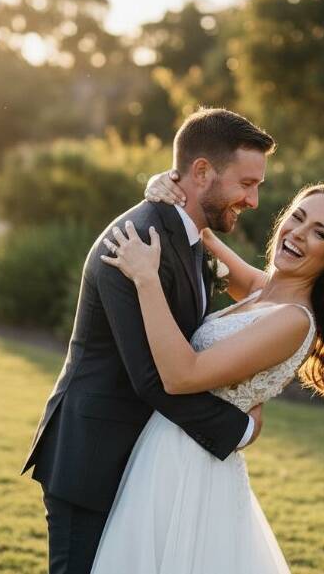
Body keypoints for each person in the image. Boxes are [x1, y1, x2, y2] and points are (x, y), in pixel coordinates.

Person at [21, 107, 277, 574]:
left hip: (144, 462)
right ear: (202, 172)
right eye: (246, 183)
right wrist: (238, 429)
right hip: (93, 456)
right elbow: (152, 377)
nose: (254, 199)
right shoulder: (134, 243)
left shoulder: (189, 235)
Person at [89, 173, 324, 572]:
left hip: (190, 463)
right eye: (297, 217)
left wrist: (146, 278)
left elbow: (181, 376)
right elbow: (199, 229)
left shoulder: (293, 320)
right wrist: (163, 185)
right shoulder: (263, 291)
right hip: (169, 445)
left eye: (319, 233)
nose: (297, 233)